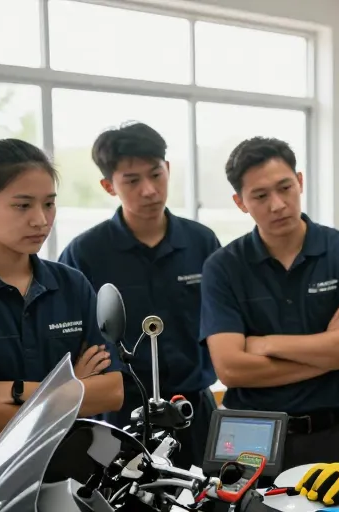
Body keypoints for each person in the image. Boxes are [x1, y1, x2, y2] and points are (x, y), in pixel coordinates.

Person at [0, 138, 124, 499]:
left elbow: (112, 391)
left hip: (65, 478)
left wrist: (14, 391)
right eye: (22, 205)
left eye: (49, 203)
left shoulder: (71, 284)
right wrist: (73, 385)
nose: (41, 219)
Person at [199, 136, 339, 477]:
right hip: (250, 435)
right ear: (240, 202)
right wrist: (327, 351)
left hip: (332, 434)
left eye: (285, 188)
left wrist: (266, 344)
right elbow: (231, 369)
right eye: (260, 196)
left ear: (300, 182)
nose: (277, 204)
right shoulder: (224, 266)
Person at [58, 122, 221, 470]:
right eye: (132, 181)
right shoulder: (85, 252)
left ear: (168, 169)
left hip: (194, 408)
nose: (149, 190)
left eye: (156, 174)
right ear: (108, 185)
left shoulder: (202, 242)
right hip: (118, 415)